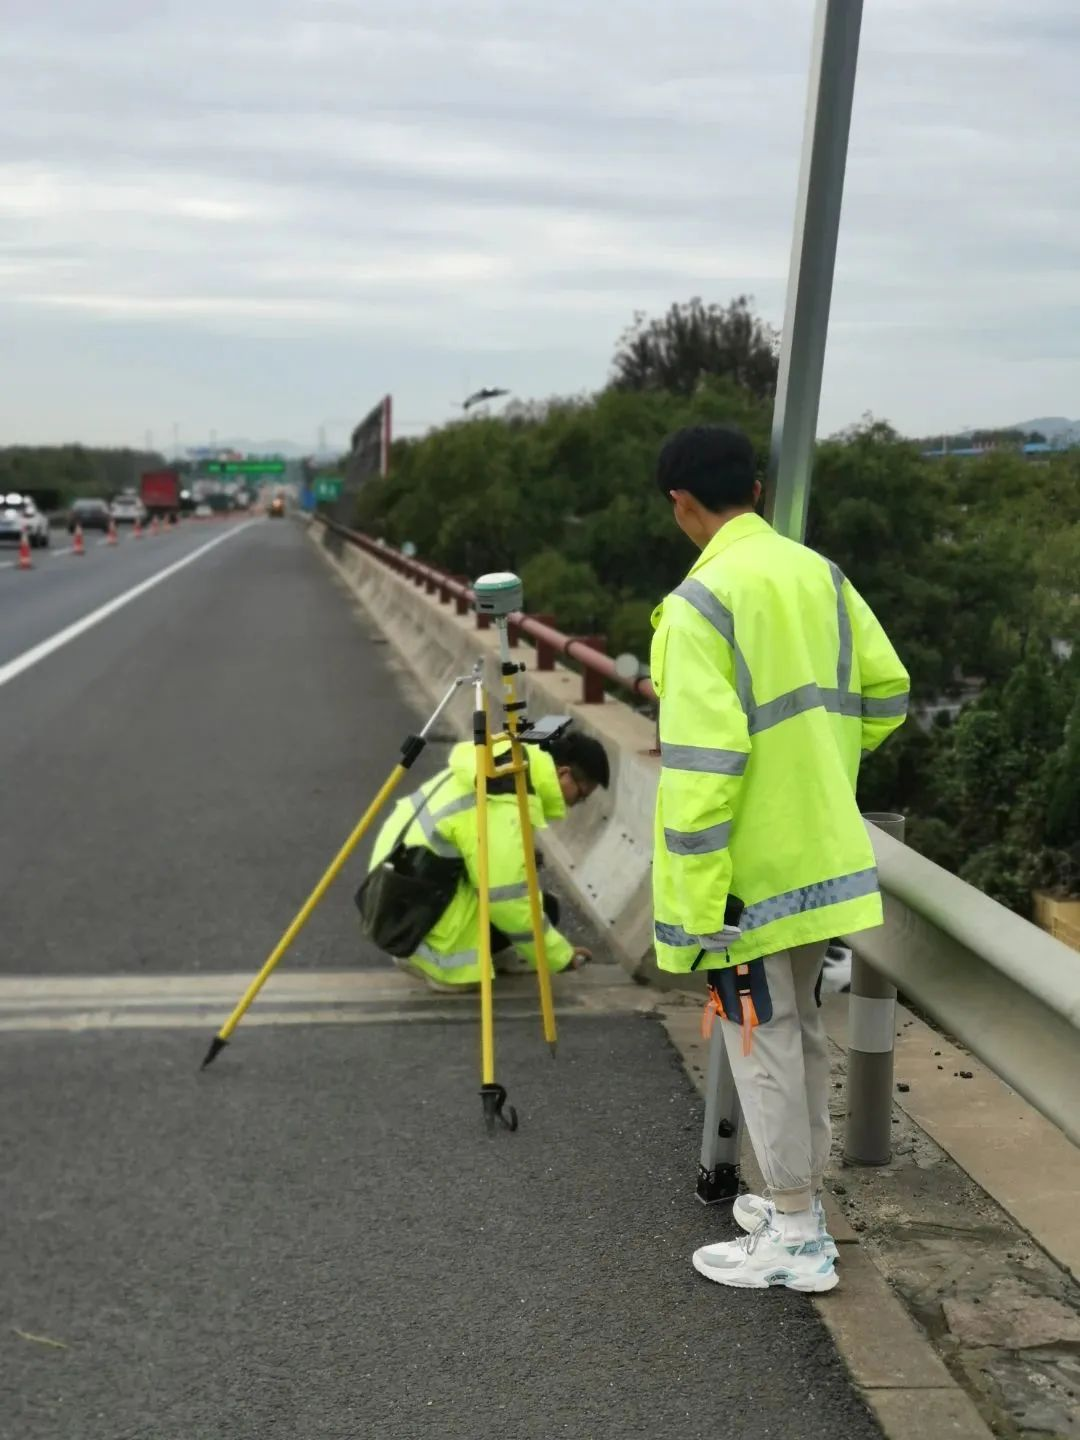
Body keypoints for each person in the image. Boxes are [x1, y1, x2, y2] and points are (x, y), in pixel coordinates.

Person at [650, 424, 908, 1293]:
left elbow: (702, 772)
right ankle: (799, 1205)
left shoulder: (698, 606)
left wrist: (691, 907)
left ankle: (796, 1237)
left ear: (682, 504)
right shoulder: (820, 575)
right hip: (823, 860)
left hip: (749, 880)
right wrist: (820, 771)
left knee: (761, 1039)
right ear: (755, 490)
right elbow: (889, 693)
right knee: (797, 1033)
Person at [368, 728, 610, 992]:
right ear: (563, 774)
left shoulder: (495, 766)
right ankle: (437, 963)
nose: (579, 802)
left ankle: (456, 950)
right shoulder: (504, 800)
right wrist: (558, 956)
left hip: (393, 897)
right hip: (414, 914)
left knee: (543, 904)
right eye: (582, 794)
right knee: (516, 898)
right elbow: (506, 900)